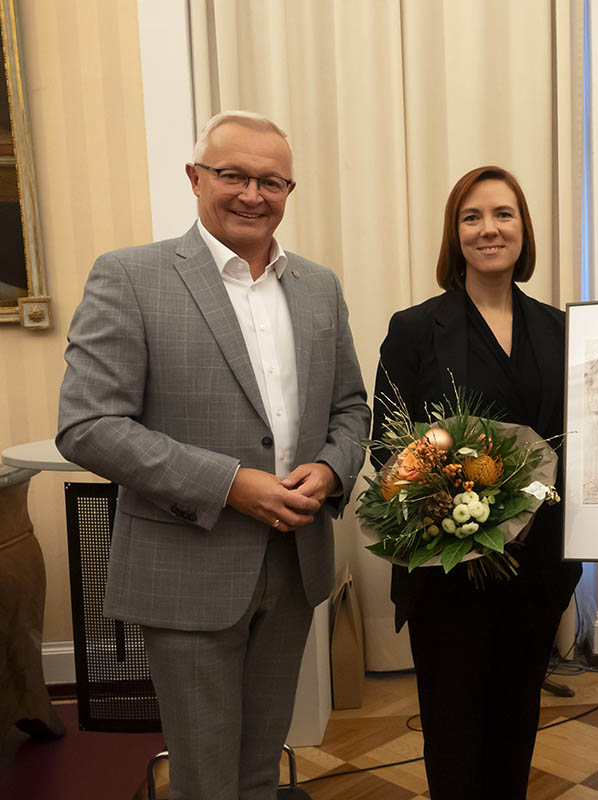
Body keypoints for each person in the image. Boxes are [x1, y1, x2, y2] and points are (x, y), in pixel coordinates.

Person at [56, 110, 370, 800]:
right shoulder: (130, 277)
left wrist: (332, 467)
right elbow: (87, 424)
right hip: (188, 567)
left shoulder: (318, 287)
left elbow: (352, 409)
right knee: (203, 782)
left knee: (260, 771)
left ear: (290, 190)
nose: (252, 194)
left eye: (271, 180)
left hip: (294, 561)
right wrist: (229, 484)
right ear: (195, 178)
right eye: (233, 175)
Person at [371, 165, 582, 799]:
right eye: (472, 217)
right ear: (453, 234)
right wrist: (450, 498)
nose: (488, 229)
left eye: (503, 214)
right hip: (446, 568)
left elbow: (581, 438)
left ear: (524, 230)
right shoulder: (414, 329)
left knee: (518, 721)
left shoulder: (562, 328)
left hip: (537, 566)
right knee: (453, 726)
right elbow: (388, 445)